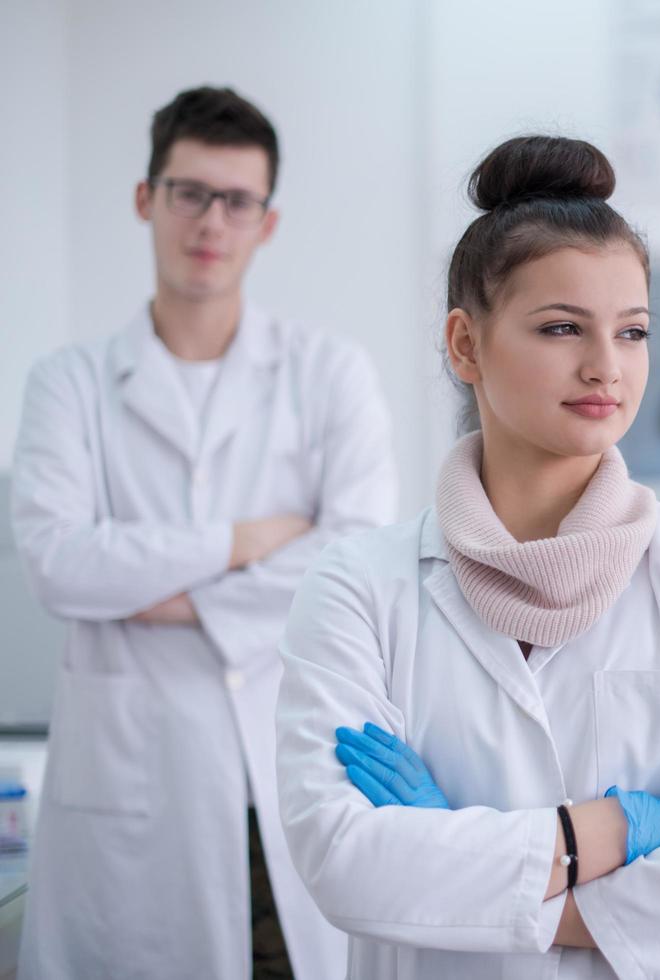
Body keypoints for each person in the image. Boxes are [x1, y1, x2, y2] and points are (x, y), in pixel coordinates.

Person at [273, 135, 660, 979]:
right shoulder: (357, 590)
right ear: (465, 346)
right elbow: (346, 864)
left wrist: (468, 871)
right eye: (562, 327)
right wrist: (613, 829)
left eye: (631, 332)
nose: (606, 365)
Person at [11, 86, 395, 979]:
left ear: (267, 222)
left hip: (288, 754)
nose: (210, 222)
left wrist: (157, 593)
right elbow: (60, 565)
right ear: (147, 199)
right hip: (131, 788)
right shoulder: (67, 384)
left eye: (237, 201)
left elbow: (355, 558)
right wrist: (246, 538)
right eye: (189, 193)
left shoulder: (329, 373)